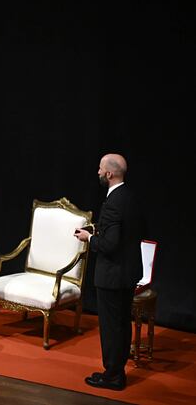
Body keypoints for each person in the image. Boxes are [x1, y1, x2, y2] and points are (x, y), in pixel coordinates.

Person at [74, 153, 144, 391]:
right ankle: (117, 371)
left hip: (113, 275)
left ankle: (112, 375)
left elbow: (110, 244)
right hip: (128, 272)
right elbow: (125, 234)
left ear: (109, 173)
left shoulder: (114, 201)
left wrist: (89, 238)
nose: (98, 172)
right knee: (122, 324)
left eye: (100, 169)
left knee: (112, 327)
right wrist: (97, 230)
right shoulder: (130, 196)